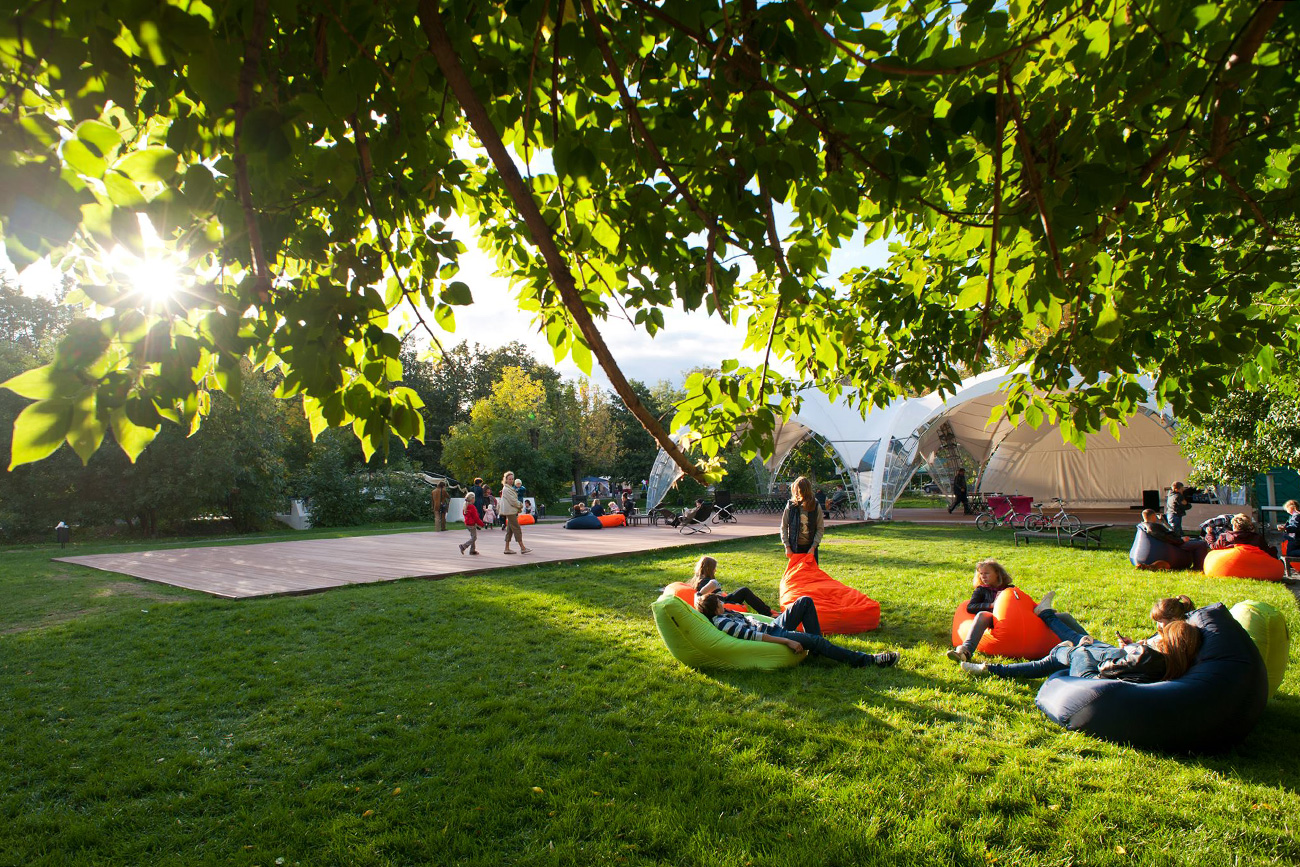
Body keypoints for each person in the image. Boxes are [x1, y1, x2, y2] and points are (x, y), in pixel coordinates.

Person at [961, 596, 1202, 683]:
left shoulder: (1165, 647)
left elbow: (1112, 670)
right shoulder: (1175, 644)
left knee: (1070, 650)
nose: (1157, 628)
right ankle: (988, 669)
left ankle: (990, 669)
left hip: (1096, 676)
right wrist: (1133, 647)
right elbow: (1137, 660)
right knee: (1077, 640)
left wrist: (1134, 650)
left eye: (1160, 623)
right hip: (1116, 658)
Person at [696, 589, 899, 668]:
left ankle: (816, 652)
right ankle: (867, 660)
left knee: (804, 601)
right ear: (714, 608)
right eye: (719, 602)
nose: (722, 602)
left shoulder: (722, 614)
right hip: (772, 634)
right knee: (817, 640)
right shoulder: (722, 622)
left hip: (771, 625)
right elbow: (754, 636)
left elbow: (700, 597)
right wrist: (788, 640)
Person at [945, 559, 1016, 662]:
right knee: (983, 615)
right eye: (981, 574)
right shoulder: (981, 590)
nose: (983, 576)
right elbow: (971, 607)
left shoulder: (1009, 589)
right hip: (992, 618)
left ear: (997, 573)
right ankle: (965, 651)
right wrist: (991, 605)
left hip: (1009, 619)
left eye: (987, 573)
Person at [691, 555, 774, 617]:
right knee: (745, 591)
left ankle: (767, 611)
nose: (715, 570)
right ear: (709, 569)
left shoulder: (699, 580)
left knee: (743, 590)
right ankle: (768, 613)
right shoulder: (709, 582)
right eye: (714, 568)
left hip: (723, 599)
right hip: (724, 601)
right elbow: (703, 595)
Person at [781, 476, 825, 563]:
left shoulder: (815, 505)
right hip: (795, 548)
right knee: (796, 575)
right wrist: (787, 547)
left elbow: (820, 528)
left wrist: (813, 547)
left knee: (811, 575)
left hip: (810, 547)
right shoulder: (791, 505)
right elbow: (784, 526)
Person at [1211, 513, 1275, 555]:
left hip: (1230, 563)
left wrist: (1209, 534)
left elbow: (1213, 546)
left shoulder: (1224, 537)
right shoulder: (1257, 538)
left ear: (1234, 526)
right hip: (1252, 565)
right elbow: (1267, 552)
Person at [499, 471, 530, 554]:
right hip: (510, 511)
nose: (511, 480)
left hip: (510, 511)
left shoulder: (509, 488)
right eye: (509, 479)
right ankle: (522, 548)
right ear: (506, 479)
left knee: (510, 530)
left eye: (512, 479)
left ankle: (507, 548)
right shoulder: (506, 489)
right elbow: (513, 501)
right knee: (517, 528)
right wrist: (520, 505)